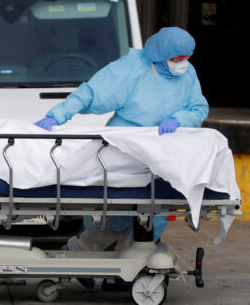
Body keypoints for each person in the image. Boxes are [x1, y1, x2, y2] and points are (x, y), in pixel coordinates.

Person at [35, 26, 208, 289]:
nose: (182, 64)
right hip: (124, 149)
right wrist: (57, 115)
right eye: (176, 59)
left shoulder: (188, 73)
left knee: (153, 217)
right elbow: (91, 92)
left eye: (186, 58)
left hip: (162, 155)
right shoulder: (133, 68)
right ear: (159, 56)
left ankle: (130, 271)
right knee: (113, 214)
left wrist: (179, 119)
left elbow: (199, 107)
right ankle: (80, 253)